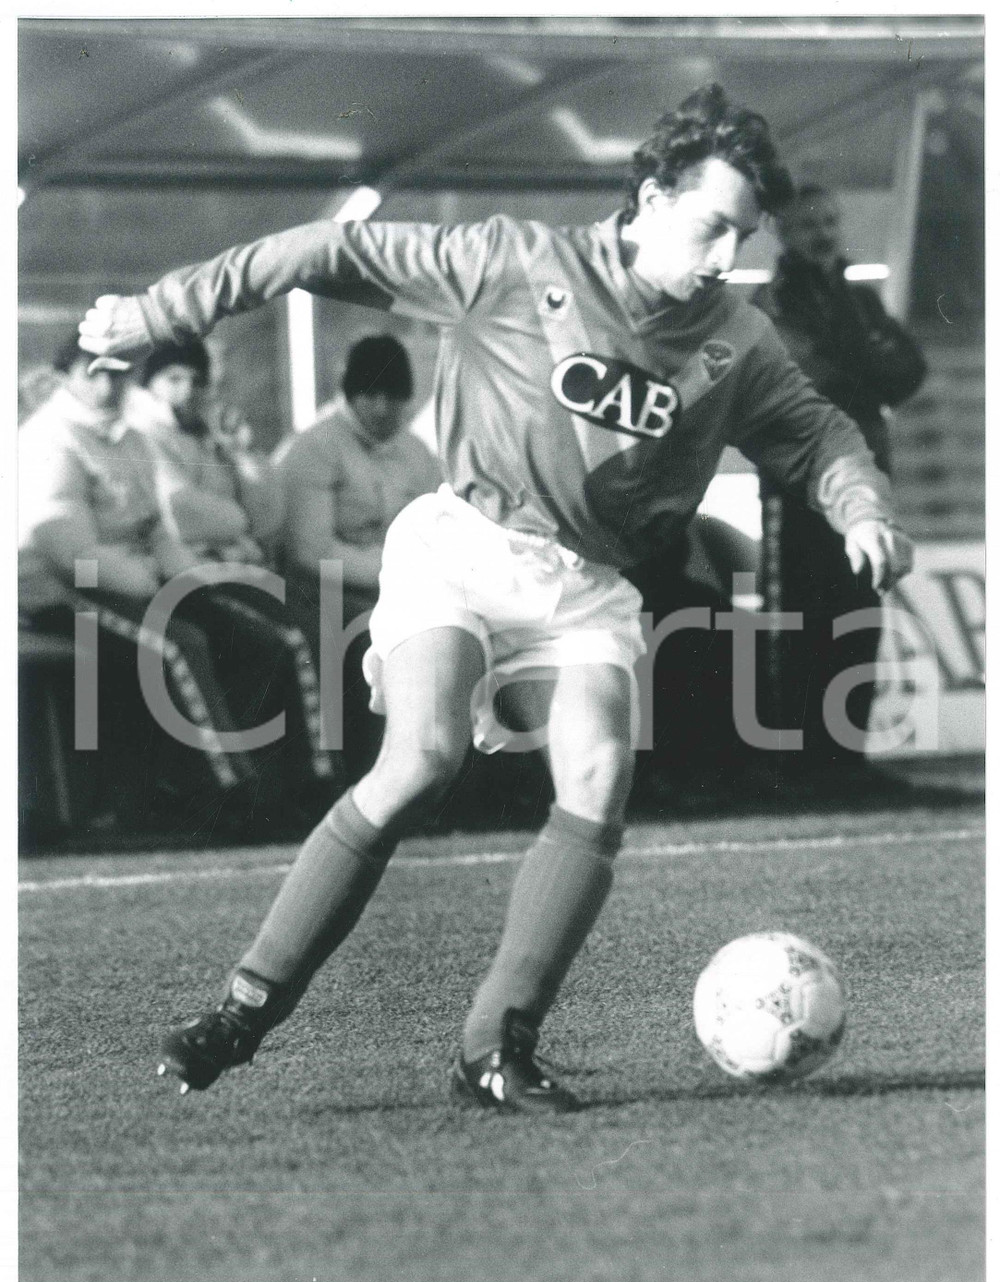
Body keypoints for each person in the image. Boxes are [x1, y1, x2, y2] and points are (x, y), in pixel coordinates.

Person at [79, 84, 913, 1114]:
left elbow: (820, 430)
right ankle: (246, 1007)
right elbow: (315, 252)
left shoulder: (733, 338)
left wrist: (862, 509)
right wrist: (158, 311)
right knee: (421, 755)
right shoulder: (516, 262)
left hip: (586, 586)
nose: (718, 259)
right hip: (463, 546)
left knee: (602, 769)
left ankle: (497, 1041)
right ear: (648, 196)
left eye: (738, 238)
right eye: (707, 228)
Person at [18, 335, 258, 826]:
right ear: (65, 376)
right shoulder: (50, 438)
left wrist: (186, 579)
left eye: (117, 373)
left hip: (125, 582)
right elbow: (68, 552)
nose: (108, 385)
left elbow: (156, 529)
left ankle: (279, 784)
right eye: (95, 373)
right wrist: (148, 580)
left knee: (248, 634)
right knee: (177, 645)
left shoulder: (130, 438)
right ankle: (227, 792)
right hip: (55, 591)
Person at [753, 182, 927, 776]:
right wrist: (867, 356)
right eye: (809, 225)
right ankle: (797, 765)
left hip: (867, 481)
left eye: (830, 221)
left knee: (858, 616)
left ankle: (845, 759)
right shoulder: (774, 303)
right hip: (799, 486)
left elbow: (909, 372)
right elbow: (814, 381)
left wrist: (857, 355)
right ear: (781, 232)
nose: (824, 234)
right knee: (801, 621)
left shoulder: (859, 298)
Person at [127, 338, 338, 809]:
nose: (186, 390)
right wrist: (235, 516)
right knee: (292, 639)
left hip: (236, 569)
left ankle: (283, 777)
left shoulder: (207, 436)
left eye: (195, 380)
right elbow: (181, 514)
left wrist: (244, 456)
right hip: (190, 576)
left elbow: (267, 518)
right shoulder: (141, 435)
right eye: (173, 378)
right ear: (149, 384)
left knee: (317, 629)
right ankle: (310, 781)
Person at [271, 333, 440, 780]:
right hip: (323, 590)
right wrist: (398, 582)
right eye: (371, 395)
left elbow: (438, 534)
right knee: (384, 642)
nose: (383, 409)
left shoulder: (416, 453)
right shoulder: (315, 448)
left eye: (394, 397)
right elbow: (312, 553)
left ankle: (445, 777)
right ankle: (374, 775)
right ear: (350, 394)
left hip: (394, 587)